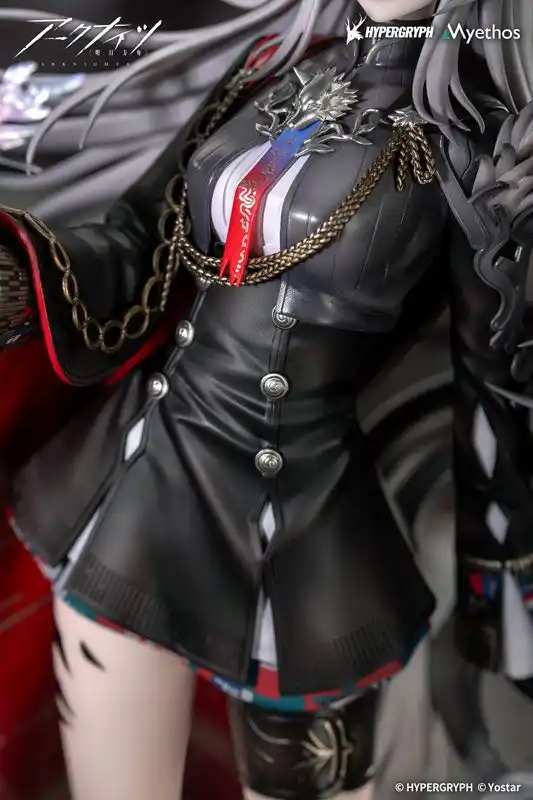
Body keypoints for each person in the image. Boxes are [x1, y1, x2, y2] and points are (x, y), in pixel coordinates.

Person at [0, 0, 532, 798]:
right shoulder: (272, 71)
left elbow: (491, 368)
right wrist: (20, 280)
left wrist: (505, 591)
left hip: (301, 519)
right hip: (141, 476)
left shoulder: (476, 135)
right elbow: (143, 239)